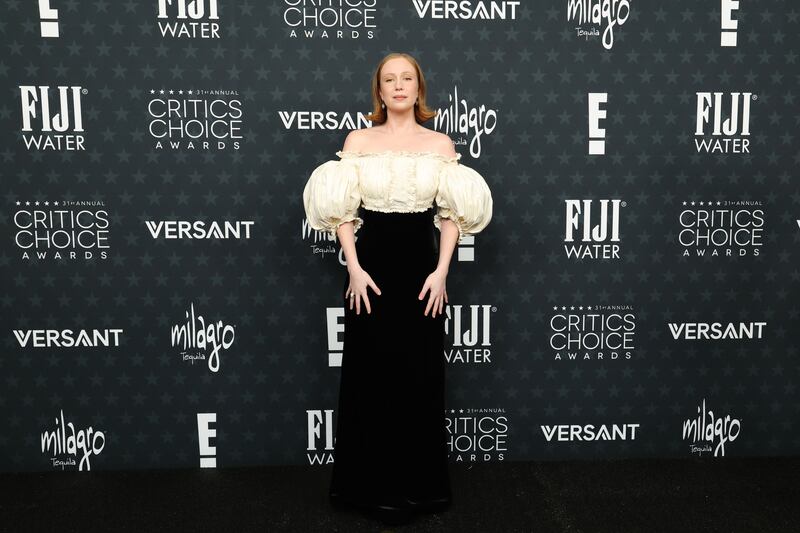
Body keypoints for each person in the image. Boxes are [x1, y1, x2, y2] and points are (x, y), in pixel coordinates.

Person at [302, 52, 493, 526]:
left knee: (419, 374)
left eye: (407, 78)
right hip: (371, 268)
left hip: (421, 268)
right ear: (380, 90)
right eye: (390, 79)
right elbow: (343, 210)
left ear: (418, 87)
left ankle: (420, 490)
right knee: (371, 374)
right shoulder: (358, 141)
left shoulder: (441, 144)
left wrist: (442, 271)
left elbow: (449, 215)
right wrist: (354, 267)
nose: (399, 85)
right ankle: (363, 489)